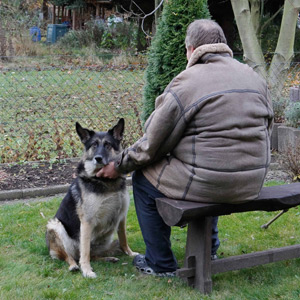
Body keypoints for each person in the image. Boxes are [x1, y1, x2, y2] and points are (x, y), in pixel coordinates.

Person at [97, 19, 274, 277]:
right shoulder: (255, 77)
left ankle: (161, 264)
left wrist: (120, 165)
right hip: (252, 181)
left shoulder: (187, 82)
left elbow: (151, 144)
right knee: (211, 166)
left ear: (191, 49)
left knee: (143, 178)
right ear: (223, 45)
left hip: (210, 183)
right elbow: (266, 131)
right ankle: (210, 248)